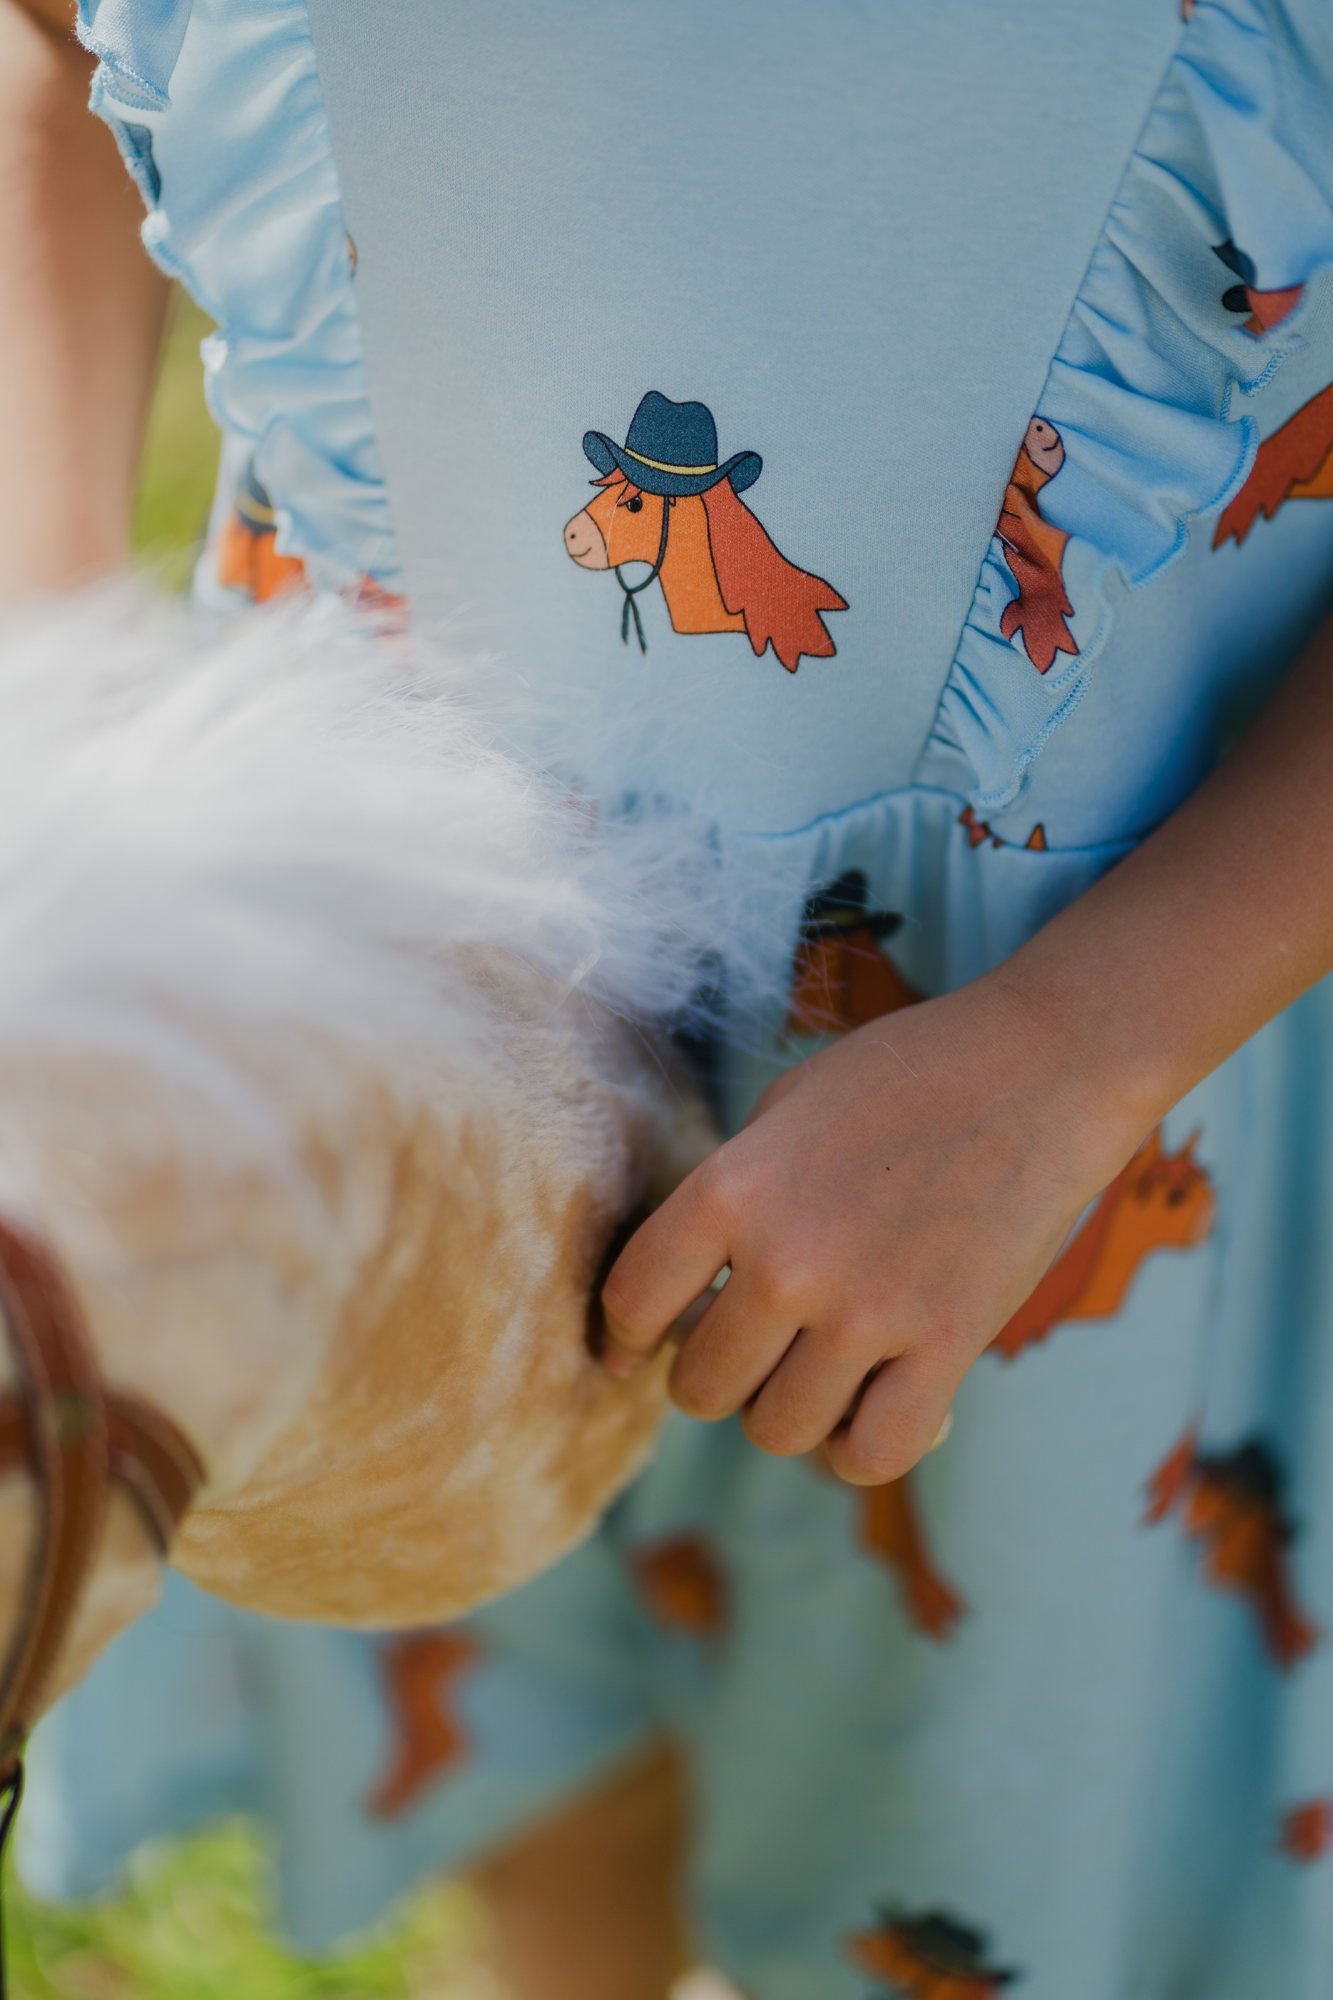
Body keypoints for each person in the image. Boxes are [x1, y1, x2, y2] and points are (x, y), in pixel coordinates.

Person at [5, 1, 1333, 1996]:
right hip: (345, 970)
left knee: (945, 1856)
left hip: (1081, 1053)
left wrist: (1079, 1052)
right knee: (498, 1693)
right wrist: (53, 709)